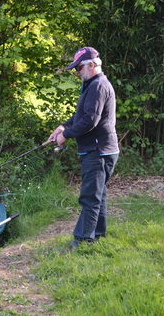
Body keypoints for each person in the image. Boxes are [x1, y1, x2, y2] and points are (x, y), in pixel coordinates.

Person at [43, 47, 119, 249]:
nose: (76, 72)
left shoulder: (98, 85)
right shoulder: (91, 84)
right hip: (99, 149)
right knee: (98, 195)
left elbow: (90, 121)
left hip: (99, 150)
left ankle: (82, 240)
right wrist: (63, 127)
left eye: (78, 68)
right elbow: (82, 116)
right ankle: (97, 236)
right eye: (75, 69)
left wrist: (65, 136)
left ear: (92, 65)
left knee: (89, 197)